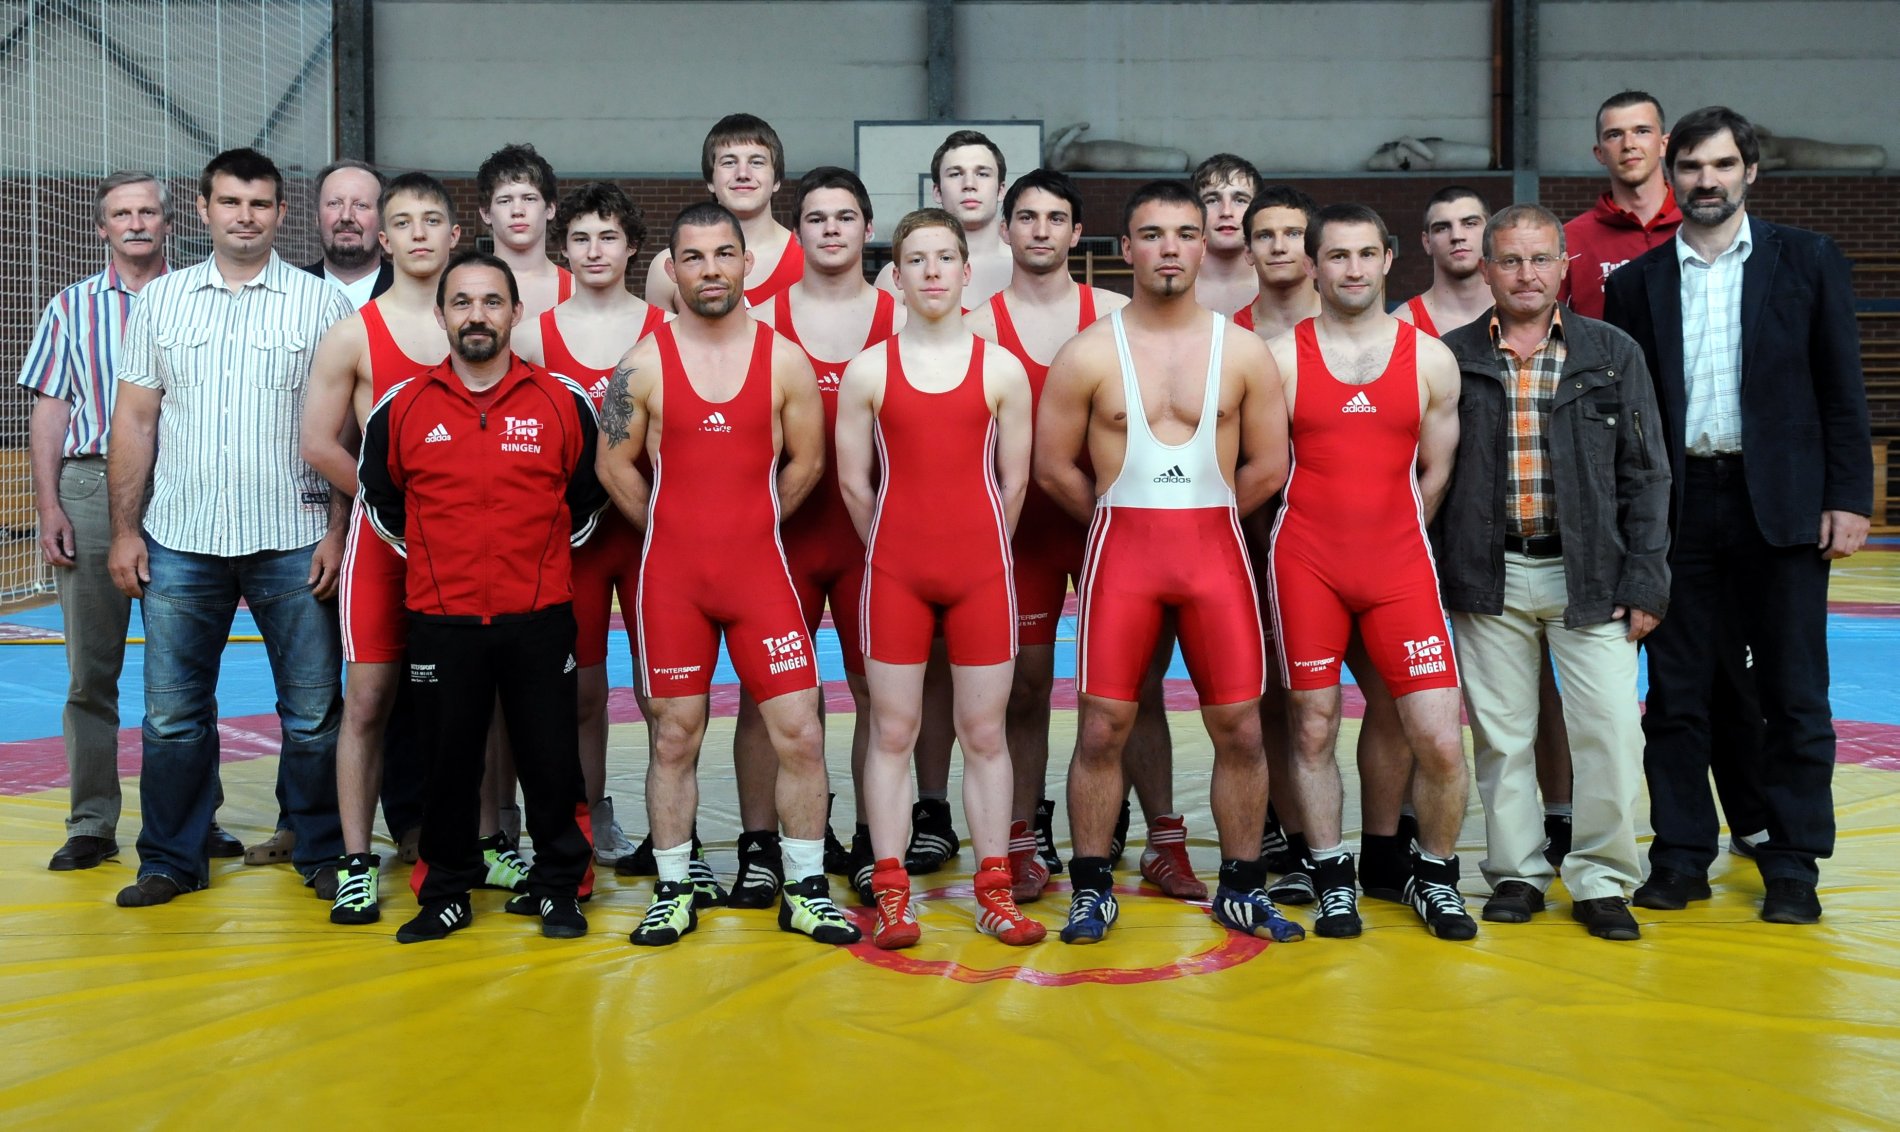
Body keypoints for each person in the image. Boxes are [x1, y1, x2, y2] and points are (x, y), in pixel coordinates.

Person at [1604, 106, 1873, 924]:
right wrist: (1629, 521)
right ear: (1670, 175)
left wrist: (1849, 495)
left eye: (1722, 165)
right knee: (1677, 693)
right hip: (1679, 507)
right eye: (1691, 167)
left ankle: (1792, 864)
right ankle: (1681, 855)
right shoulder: (1637, 284)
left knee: (1794, 692)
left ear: (1750, 171)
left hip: (1783, 504)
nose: (1707, 181)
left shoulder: (1809, 260)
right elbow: (1625, 416)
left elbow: (1842, 388)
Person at [1036, 180, 1303, 946]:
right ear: (1125, 249)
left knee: (1242, 729)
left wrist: (1197, 516)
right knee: (1101, 727)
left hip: (1214, 550)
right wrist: (1120, 520)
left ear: (1206, 244)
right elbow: (1052, 467)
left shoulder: (1242, 351)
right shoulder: (1088, 352)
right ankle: (1092, 888)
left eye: (1185, 234)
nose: (1170, 249)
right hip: (1122, 552)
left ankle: (1242, 889)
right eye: (1152, 235)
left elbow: (1269, 465)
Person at [598, 202, 859, 947]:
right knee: (673, 737)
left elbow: (808, 460)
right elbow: (612, 464)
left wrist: (757, 521)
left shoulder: (785, 360)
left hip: (760, 575)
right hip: (673, 579)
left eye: (722, 255)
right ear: (671, 268)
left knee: (800, 732)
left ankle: (804, 887)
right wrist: (669, 528)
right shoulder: (641, 364)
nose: (709, 270)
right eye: (693, 257)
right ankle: (674, 889)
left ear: (747, 263)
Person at [107, 147, 349, 907]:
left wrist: (338, 531)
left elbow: (346, 430)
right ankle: (171, 861)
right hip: (180, 539)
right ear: (204, 210)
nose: (245, 217)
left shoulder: (322, 305)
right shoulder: (162, 302)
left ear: (281, 213)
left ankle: (319, 848)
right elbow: (135, 421)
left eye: (260, 204)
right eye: (231, 202)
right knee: (172, 717)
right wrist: (125, 531)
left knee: (313, 716)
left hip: (295, 537)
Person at [969, 169, 1212, 905]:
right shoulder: (979, 327)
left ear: (1078, 234)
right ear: (1005, 230)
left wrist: (1116, 518)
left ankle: (1163, 839)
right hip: (1026, 533)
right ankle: (1022, 838)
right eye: (1027, 217)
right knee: (1025, 687)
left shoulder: (1112, 314)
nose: (1041, 230)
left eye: (1056, 218)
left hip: (1112, 528)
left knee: (1137, 686)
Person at [1437, 204, 1671, 941]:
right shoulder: (1449, 357)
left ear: (1565, 266)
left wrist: (1646, 579)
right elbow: (1425, 473)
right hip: (1489, 572)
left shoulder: (1612, 352)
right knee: (1503, 738)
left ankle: (1602, 879)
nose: (1526, 274)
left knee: (1611, 732)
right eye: (1510, 260)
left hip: (1591, 575)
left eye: (1540, 259)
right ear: (1485, 269)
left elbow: (1647, 473)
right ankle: (1516, 872)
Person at [356, 250, 601, 943]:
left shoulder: (561, 401)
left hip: (539, 617)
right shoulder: (403, 407)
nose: (477, 316)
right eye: (461, 302)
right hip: (442, 619)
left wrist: (532, 560)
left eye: (492, 302)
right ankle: (445, 892)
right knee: (445, 764)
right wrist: (443, 560)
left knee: (551, 762)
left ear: (516, 313)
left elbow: (587, 498)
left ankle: (560, 887)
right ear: (441, 316)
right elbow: (382, 500)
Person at [15, 172, 242, 871]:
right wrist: (49, 505)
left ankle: (193, 818)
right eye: (122, 213)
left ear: (169, 223)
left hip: (182, 487)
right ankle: (91, 820)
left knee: (188, 670)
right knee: (92, 670)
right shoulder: (70, 307)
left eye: (147, 211)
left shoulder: (203, 299)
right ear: (102, 228)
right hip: (89, 487)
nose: (136, 223)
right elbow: (51, 410)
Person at [1565, 91, 1769, 865]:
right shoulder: (1576, 244)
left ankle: (1752, 813)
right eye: (1613, 134)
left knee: (1739, 672)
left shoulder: (1718, 229)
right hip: (1645, 480)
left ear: (1665, 146)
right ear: (1600, 152)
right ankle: (1672, 840)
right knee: (1669, 676)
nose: (1629, 145)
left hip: (1737, 479)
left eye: (1643, 131)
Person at [1267, 203, 1475, 941]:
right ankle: (1332, 878)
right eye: (1336, 256)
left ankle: (1436, 876)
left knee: (1440, 738)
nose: (1352, 269)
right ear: (1313, 267)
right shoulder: (1279, 359)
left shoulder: (1432, 359)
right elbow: (1260, 471)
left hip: (1399, 565)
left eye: (1364, 254)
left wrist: (1391, 533)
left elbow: (1436, 472)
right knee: (1312, 727)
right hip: (1307, 564)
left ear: (1388, 260)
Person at [836, 207, 1039, 948]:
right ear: (895, 276)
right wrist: (893, 550)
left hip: (981, 573)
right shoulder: (868, 371)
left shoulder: (1002, 370)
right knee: (893, 732)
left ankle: (995, 890)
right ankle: (893, 892)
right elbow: (854, 484)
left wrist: (978, 552)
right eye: (916, 260)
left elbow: (1015, 484)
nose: (930, 272)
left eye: (944, 258)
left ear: (965, 270)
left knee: (984, 732)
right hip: (896, 573)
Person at [300, 172, 463, 924]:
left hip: (466, 544)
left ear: (454, 235)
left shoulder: (479, 319)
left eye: (432, 220)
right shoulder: (354, 331)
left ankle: (468, 843)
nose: (418, 233)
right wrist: (387, 498)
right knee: (367, 700)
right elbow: (317, 441)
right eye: (403, 222)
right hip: (385, 542)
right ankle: (357, 862)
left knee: (466, 699)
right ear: (385, 238)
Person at [746, 167, 901, 906]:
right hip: (783, 540)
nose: (832, 229)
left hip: (872, 544)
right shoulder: (759, 321)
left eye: (845, 217)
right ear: (797, 230)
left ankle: (873, 840)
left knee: (878, 696)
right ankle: (760, 846)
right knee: (770, 698)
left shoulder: (903, 318)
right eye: (816, 217)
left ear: (868, 229)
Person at [512, 181, 666, 871]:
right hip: (571, 539)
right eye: (580, 238)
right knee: (580, 690)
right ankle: (585, 817)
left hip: (648, 532)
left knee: (663, 690)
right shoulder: (532, 337)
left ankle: (673, 832)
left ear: (633, 247)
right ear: (563, 248)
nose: (594, 250)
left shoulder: (667, 328)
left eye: (608, 236)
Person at [646, 114, 803, 312]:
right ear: (710, 180)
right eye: (729, 162)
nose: (743, 174)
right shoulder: (667, 268)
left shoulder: (810, 260)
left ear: (777, 180)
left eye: (757, 162)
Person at [875, 129, 1013, 307]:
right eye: (955, 174)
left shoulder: (1025, 268)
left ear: (1001, 190)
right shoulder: (898, 276)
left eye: (982, 174)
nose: (969, 184)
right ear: (937, 191)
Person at [476, 143, 572, 319]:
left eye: (529, 198)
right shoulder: (464, 288)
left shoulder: (577, 290)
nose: (517, 211)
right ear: (486, 213)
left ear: (550, 208)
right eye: (505, 200)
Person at [1395, 185, 1492, 336]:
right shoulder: (1401, 327)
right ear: (1427, 242)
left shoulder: (1522, 313)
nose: (1457, 236)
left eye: (1470, 224)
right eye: (1442, 228)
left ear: (1491, 233)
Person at [302, 159, 393, 308]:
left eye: (361, 205)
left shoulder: (414, 292)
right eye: (334, 203)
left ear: (383, 220)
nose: (346, 216)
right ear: (317, 218)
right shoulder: (290, 290)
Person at [1234, 186, 1321, 340]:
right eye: (1265, 236)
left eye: (1293, 234)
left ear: (1315, 246)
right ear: (1248, 251)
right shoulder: (1227, 336)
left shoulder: (1350, 325)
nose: (1278, 247)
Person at [1189, 154, 1261, 317]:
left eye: (1240, 200)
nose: (1226, 212)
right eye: (1212, 200)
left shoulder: (1278, 285)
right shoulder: (1174, 285)